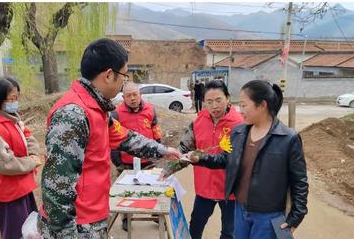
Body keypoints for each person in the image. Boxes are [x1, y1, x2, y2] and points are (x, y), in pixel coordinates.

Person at [39, 38, 182, 238]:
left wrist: (163, 151)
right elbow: (57, 188)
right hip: (76, 225)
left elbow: (126, 138)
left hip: (91, 217)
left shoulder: (97, 109)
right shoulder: (73, 113)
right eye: (124, 75)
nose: (125, 81)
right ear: (108, 75)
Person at [189, 80, 308, 239]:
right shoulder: (239, 132)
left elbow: (299, 181)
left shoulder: (288, 138)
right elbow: (226, 159)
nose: (240, 110)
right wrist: (200, 158)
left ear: (262, 105)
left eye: (244, 105)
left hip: (268, 215)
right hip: (240, 209)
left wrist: (296, 217)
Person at [0, 76, 41, 239]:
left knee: (30, 228)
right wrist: (31, 162)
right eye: (12, 98)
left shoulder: (9, 115)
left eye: (17, 97)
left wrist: (33, 152)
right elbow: (3, 164)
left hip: (21, 185)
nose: (16, 101)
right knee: (16, 232)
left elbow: (27, 135)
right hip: (8, 190)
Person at [179, 80, 244, 239]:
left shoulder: (240, 124)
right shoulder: (198, 121)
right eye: (209, 102)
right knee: (195, 226)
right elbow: (184, 148)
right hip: (204, 186)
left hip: (230, 190)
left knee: (229, 231)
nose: (214, 106)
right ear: (204, 102)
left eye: (218, 100)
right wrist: (170, 165)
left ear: (227, 98)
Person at [110, 81, 163, 231]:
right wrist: (115, 156)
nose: (132, 98)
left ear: (140, 95)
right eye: (129, 95)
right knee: (127, 192)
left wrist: (158, 147)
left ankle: (154, 214)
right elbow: (113, 137)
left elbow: (156, 129)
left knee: (152, 188)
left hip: (149, 160)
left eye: (135, 94)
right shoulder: (116, 114)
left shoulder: (150, 110)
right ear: (123, 97)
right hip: (126, 161)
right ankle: (126, 218)